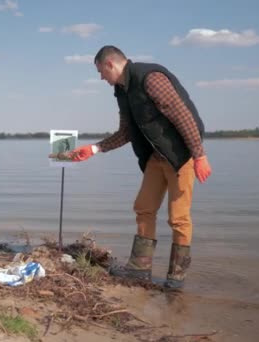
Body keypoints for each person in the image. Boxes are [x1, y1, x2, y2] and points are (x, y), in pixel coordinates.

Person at [68, 45, 212, 289]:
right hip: (155, 158)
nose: (101, 78)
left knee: (178, 218)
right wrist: (94, 149)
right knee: (143, 208)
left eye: (101, 72)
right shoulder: (121, 90)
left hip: (180, 157)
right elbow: (126, 132)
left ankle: (176, 279)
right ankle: (139, 269)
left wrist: (199, 155)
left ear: (110, 64)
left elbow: (183, 117)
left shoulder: (151, 79)